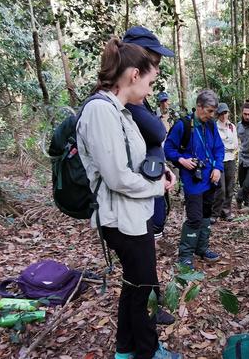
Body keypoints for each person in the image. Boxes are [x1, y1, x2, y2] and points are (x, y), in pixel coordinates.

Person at [76, 38, 181, 359]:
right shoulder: (99, 111)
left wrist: (160, 171)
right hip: (119, 219)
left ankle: (125, 350)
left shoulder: (119, 111)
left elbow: (134, 160)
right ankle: (148, 352)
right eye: (150, 82)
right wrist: (157, 188)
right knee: (144, 288)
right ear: (134, 75)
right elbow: (117, 176)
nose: (150, 91)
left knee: (135, 286)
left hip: (133, 215)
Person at [121, 26, 177, 326]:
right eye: (153, 62)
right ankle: (143, 331)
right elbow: (157, 131)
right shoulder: (117, 103)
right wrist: (155, 182)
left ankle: (141, 325)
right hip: (131, 202)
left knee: (142, 268)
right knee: (138, 273)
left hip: (145, 194)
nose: (155, 70)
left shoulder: (139, 99)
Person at [164, 89, 225, 269]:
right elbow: (168, 148)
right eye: (209, 111)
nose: (212, 115)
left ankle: (202, 248)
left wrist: (218, 167)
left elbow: (219, 149)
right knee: (195, 218)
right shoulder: (183, 125)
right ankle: (185, 255)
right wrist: (181, 159)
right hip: (193, 181)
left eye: (213, 112)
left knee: (206, 215)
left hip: (210, 179)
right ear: (199, 107)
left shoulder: (211, 125)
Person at [212, 102, 238, 222]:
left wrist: (226, 146)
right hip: (219, 161)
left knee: (230, 187)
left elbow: (235, 144)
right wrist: (225, 146)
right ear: (218, 114)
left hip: (231, 159)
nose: (224, 116)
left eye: (225, 113)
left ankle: (226, 212)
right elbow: (216, 145)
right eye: (221, 113)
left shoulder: (232, 126)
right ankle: (215, 212)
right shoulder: (214, 127)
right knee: (220, 188)